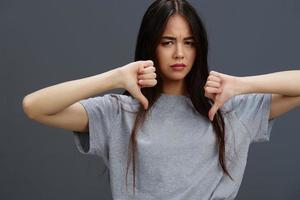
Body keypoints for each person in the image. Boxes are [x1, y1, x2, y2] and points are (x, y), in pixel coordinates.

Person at [22, 0, 300, 199]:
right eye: (168, 42)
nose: (179, 53)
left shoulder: (227, 110)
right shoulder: (119, 114)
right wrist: (116, 77)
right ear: (150, 45)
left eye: (189, 42)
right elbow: (34, 107)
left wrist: (241, 85)